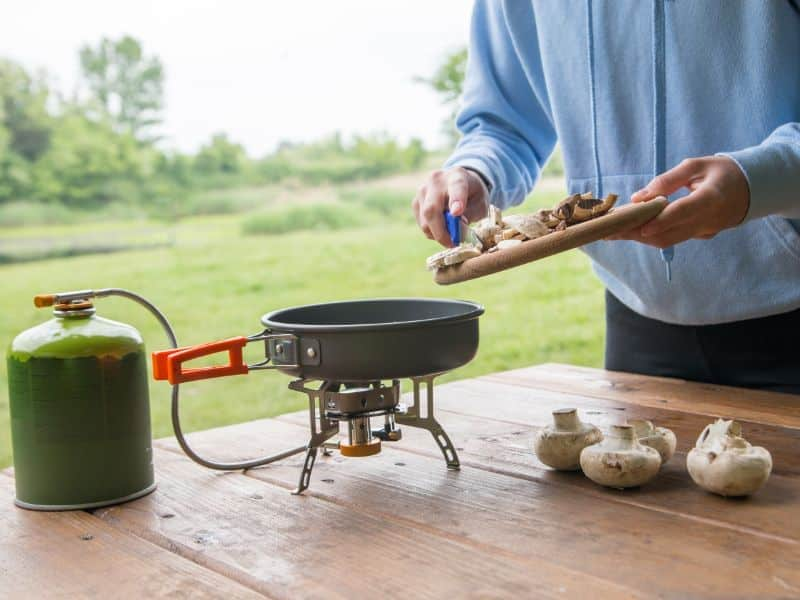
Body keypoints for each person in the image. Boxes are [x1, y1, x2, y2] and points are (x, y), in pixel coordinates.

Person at [413, 1, 800, 394]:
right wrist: (477, 170)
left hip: (790, 301)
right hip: (636, 314)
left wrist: (762, 181)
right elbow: (504, 122)